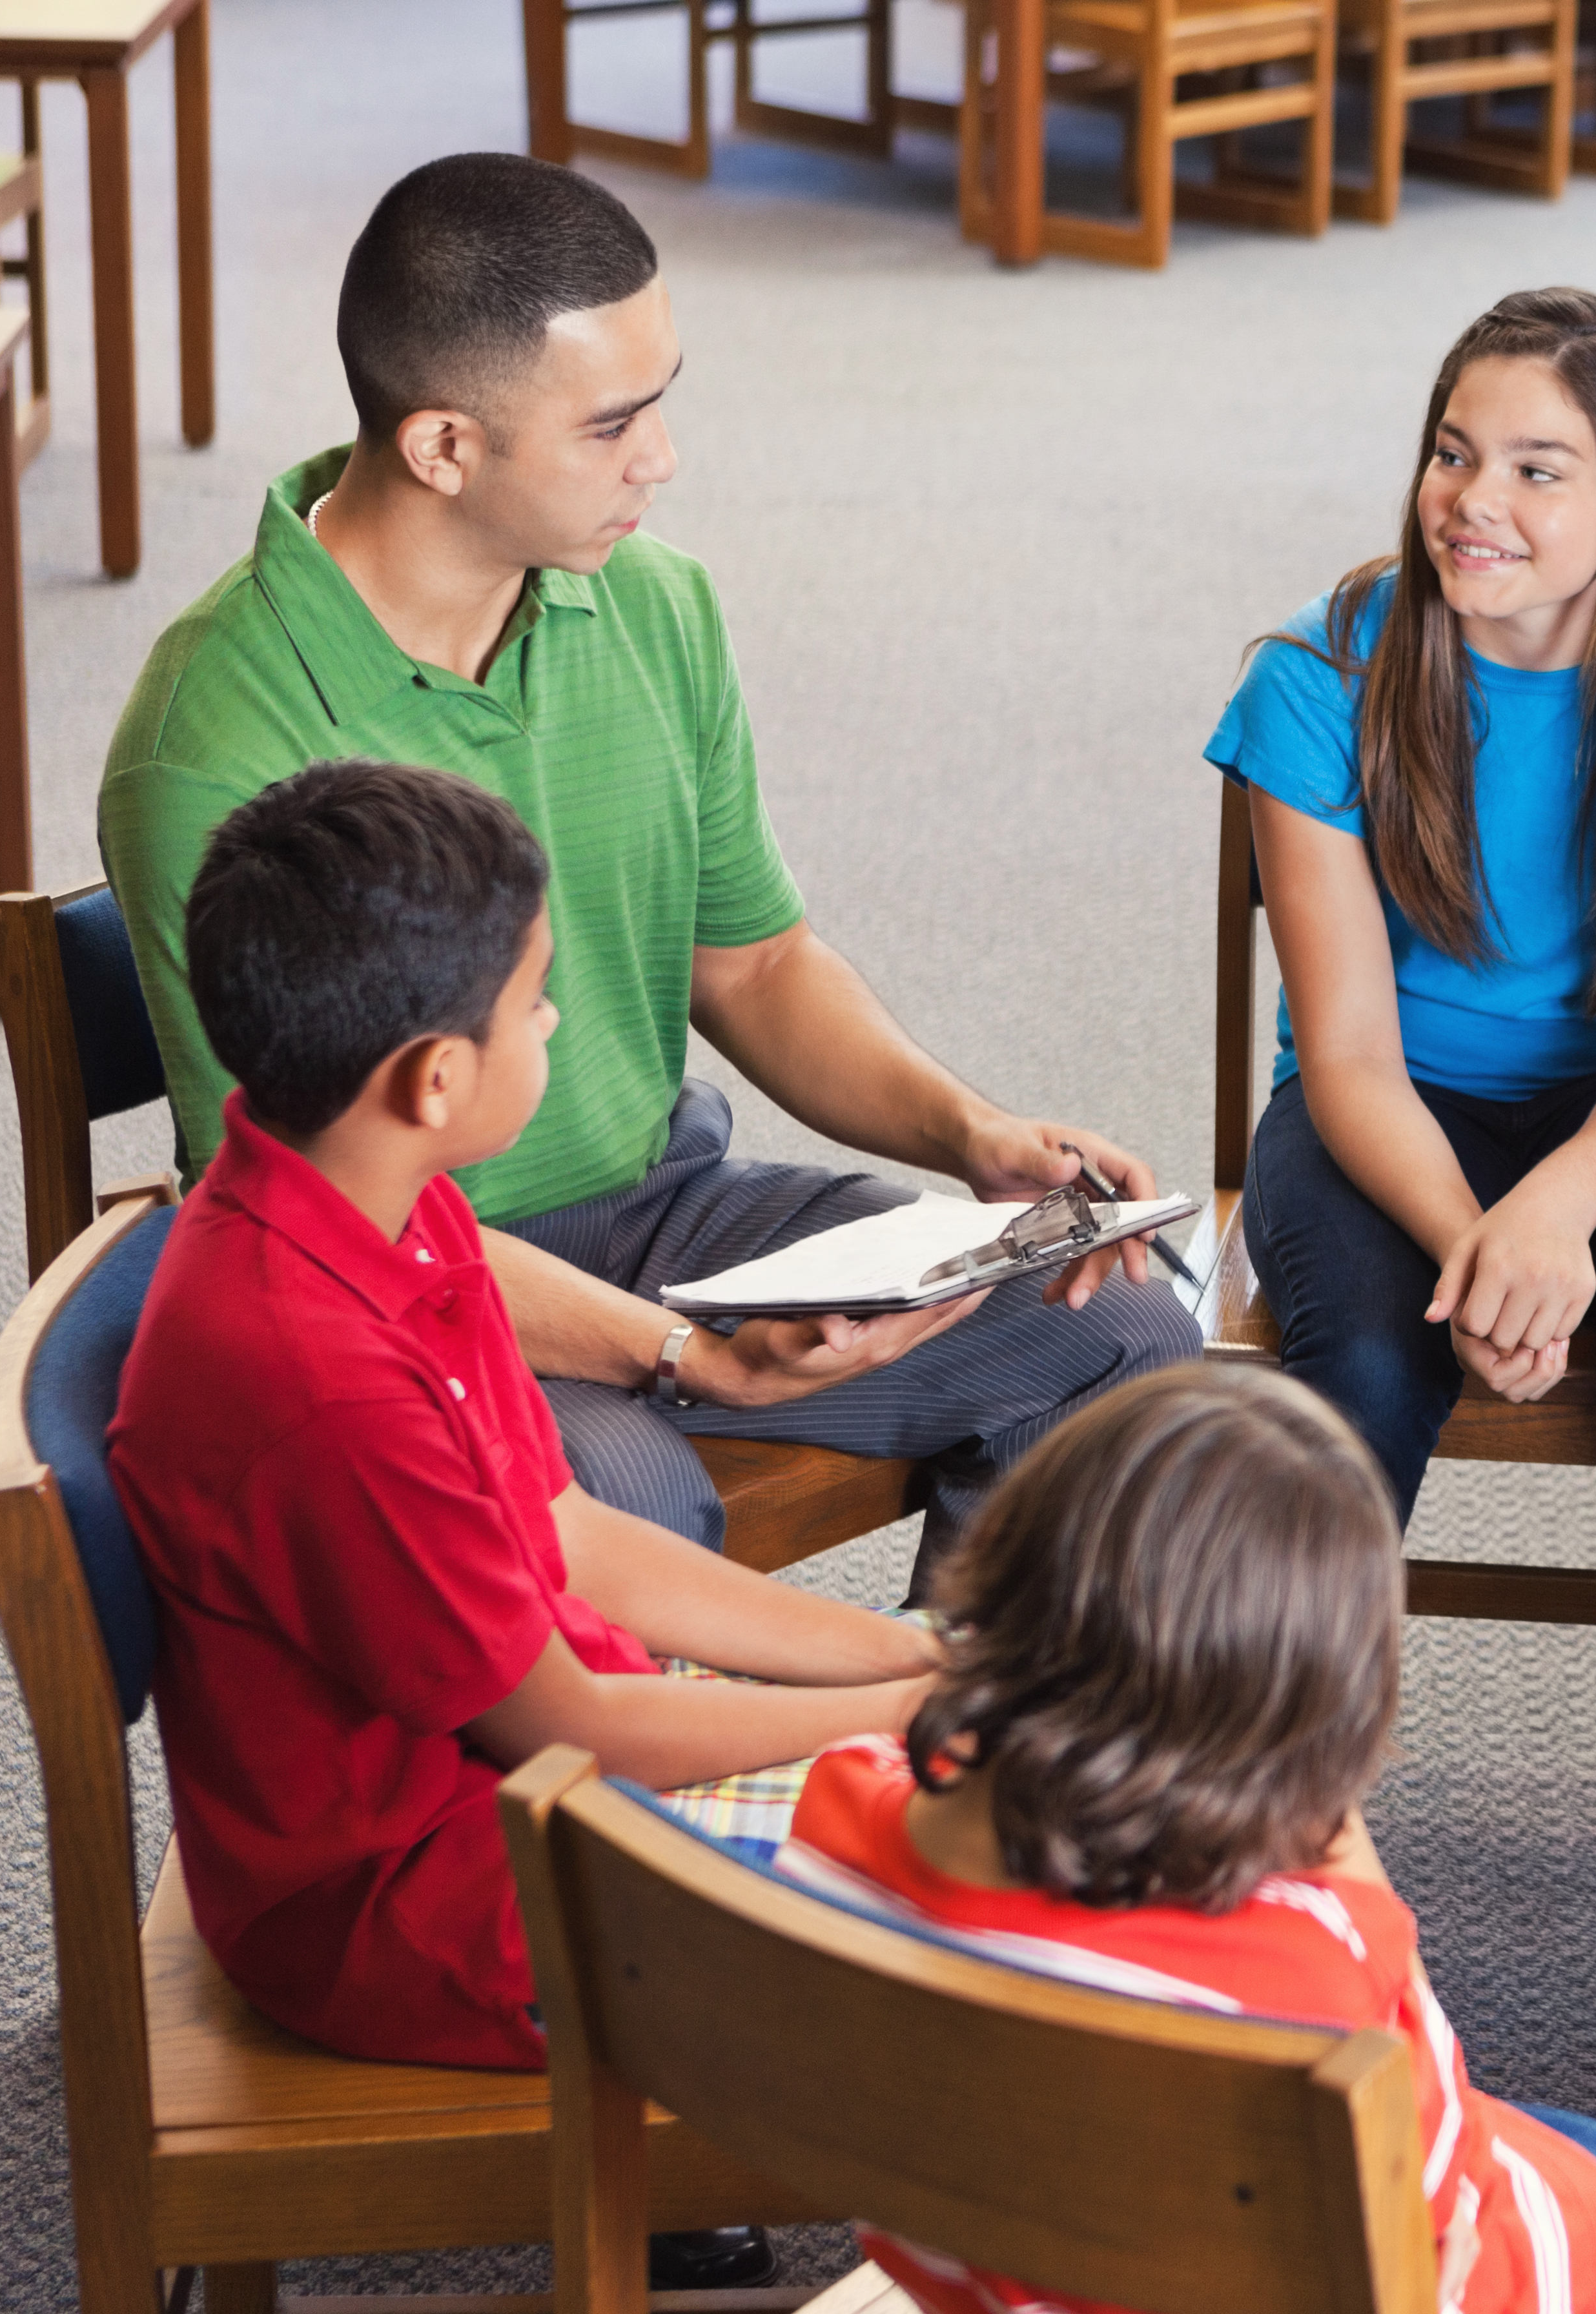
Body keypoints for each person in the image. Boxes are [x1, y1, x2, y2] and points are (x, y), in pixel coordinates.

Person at [98, 152, 1194, 1586]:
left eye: (661, 399)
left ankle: (938, 1779)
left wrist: (968, 1134)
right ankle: (669, 1810)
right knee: (629, 1507)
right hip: (410, 1278)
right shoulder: (214, 740)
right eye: (613, 422)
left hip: (666, 1205)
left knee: (1122, 1333)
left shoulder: (654, 602)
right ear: (443, 447)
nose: (661, 458)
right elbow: (315, 1211)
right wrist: (683, 1354)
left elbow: (753, 963)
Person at [1203, 289, 1596, 2089]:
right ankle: (1281, 1817)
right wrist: (1471, 1235)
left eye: (1535, 469)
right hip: (1386, 1122)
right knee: (1351, 1373)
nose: (1469, 499)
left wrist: (1557, 1209)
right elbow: (1340, 1051)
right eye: (1450, 449)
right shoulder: (1320, 667)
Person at [782, 1364, 1596, 2314]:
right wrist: (1336, 1839)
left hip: (1023, 2300)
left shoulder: (847, 1802)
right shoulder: (1307, 1957)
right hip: (1408, 2312)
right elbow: (1444, 2250)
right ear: (1322, 1699)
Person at [108, 760, 948, 2088]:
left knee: (1013, 1805)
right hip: (428, 1902)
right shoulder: (317, 1381)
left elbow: (570, 1538)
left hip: (546, 1760)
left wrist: (903, 1662)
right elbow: (575, 1730)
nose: (554, 1019)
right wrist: (905, 1711)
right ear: (437, 1076)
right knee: (1018, 1919)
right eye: (535, 999)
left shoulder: (379, 1188)